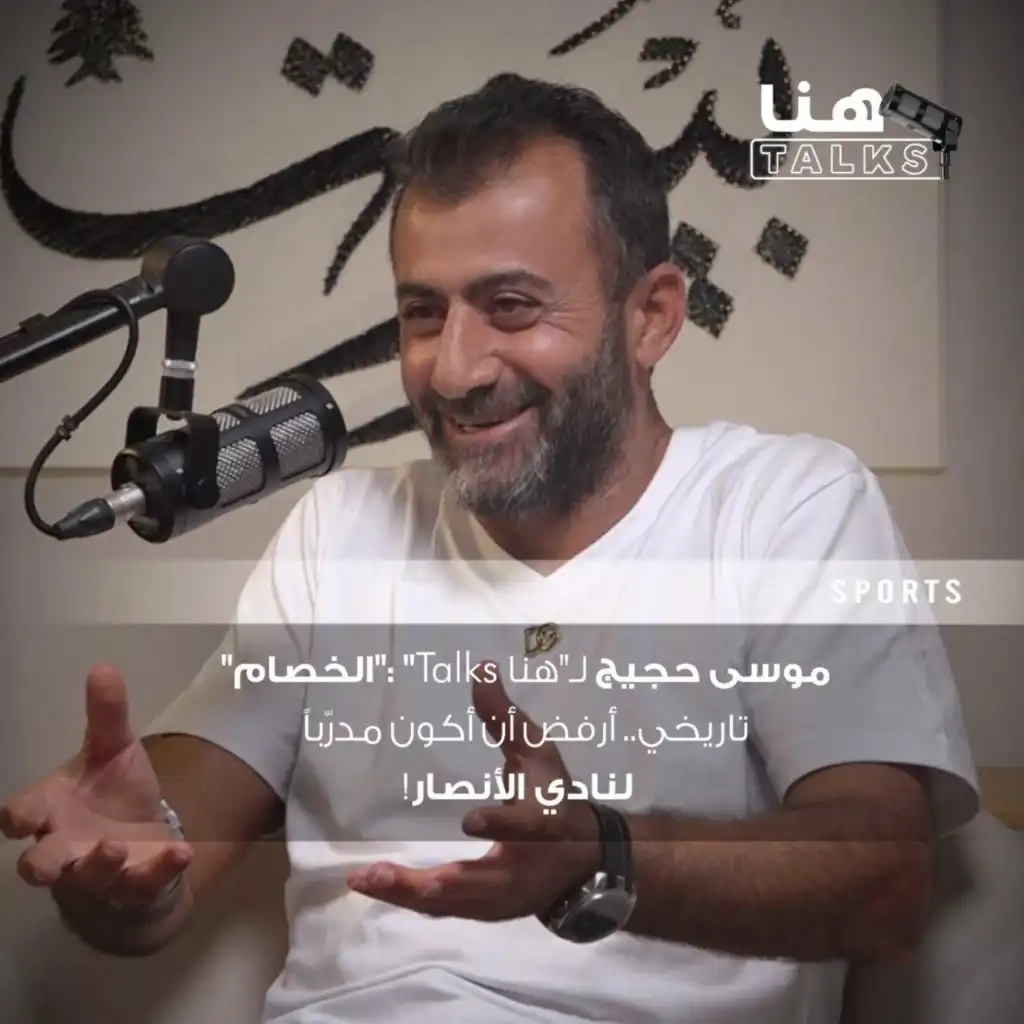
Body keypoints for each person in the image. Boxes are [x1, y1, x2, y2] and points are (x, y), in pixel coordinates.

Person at [1, 74, 978, 1024]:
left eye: (510, 306)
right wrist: (118, 871)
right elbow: (154, 886)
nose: (454, 371)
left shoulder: (785, 507)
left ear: (651, 316)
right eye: (423, 313)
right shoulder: (340, 531)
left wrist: (601, 857)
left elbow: (885, 885)